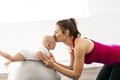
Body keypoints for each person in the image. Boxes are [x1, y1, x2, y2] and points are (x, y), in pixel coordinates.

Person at [41, 18, 120, 80]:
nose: (53, 35)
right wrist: (55, 63)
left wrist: (54, 66)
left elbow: (76, 76)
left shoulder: (79, 46)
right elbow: (71, 68)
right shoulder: (70, 47)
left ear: (66, 32)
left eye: (56, 32)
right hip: (111, 60)